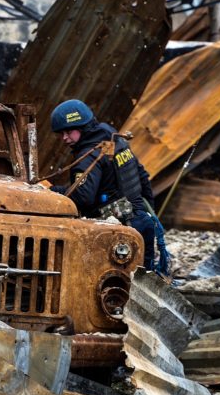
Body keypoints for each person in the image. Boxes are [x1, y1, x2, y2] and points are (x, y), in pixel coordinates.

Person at [48, 99, 168, 273]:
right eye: (61, 133)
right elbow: (142, 176)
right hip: (142, 222)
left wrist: (51, 191)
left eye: (68, 132)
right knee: (146, 280)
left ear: (83, 127)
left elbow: (83, 198)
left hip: (118, 236)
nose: (64, 138)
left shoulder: (89, 156)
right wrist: (148, 213)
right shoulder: (113, 138)